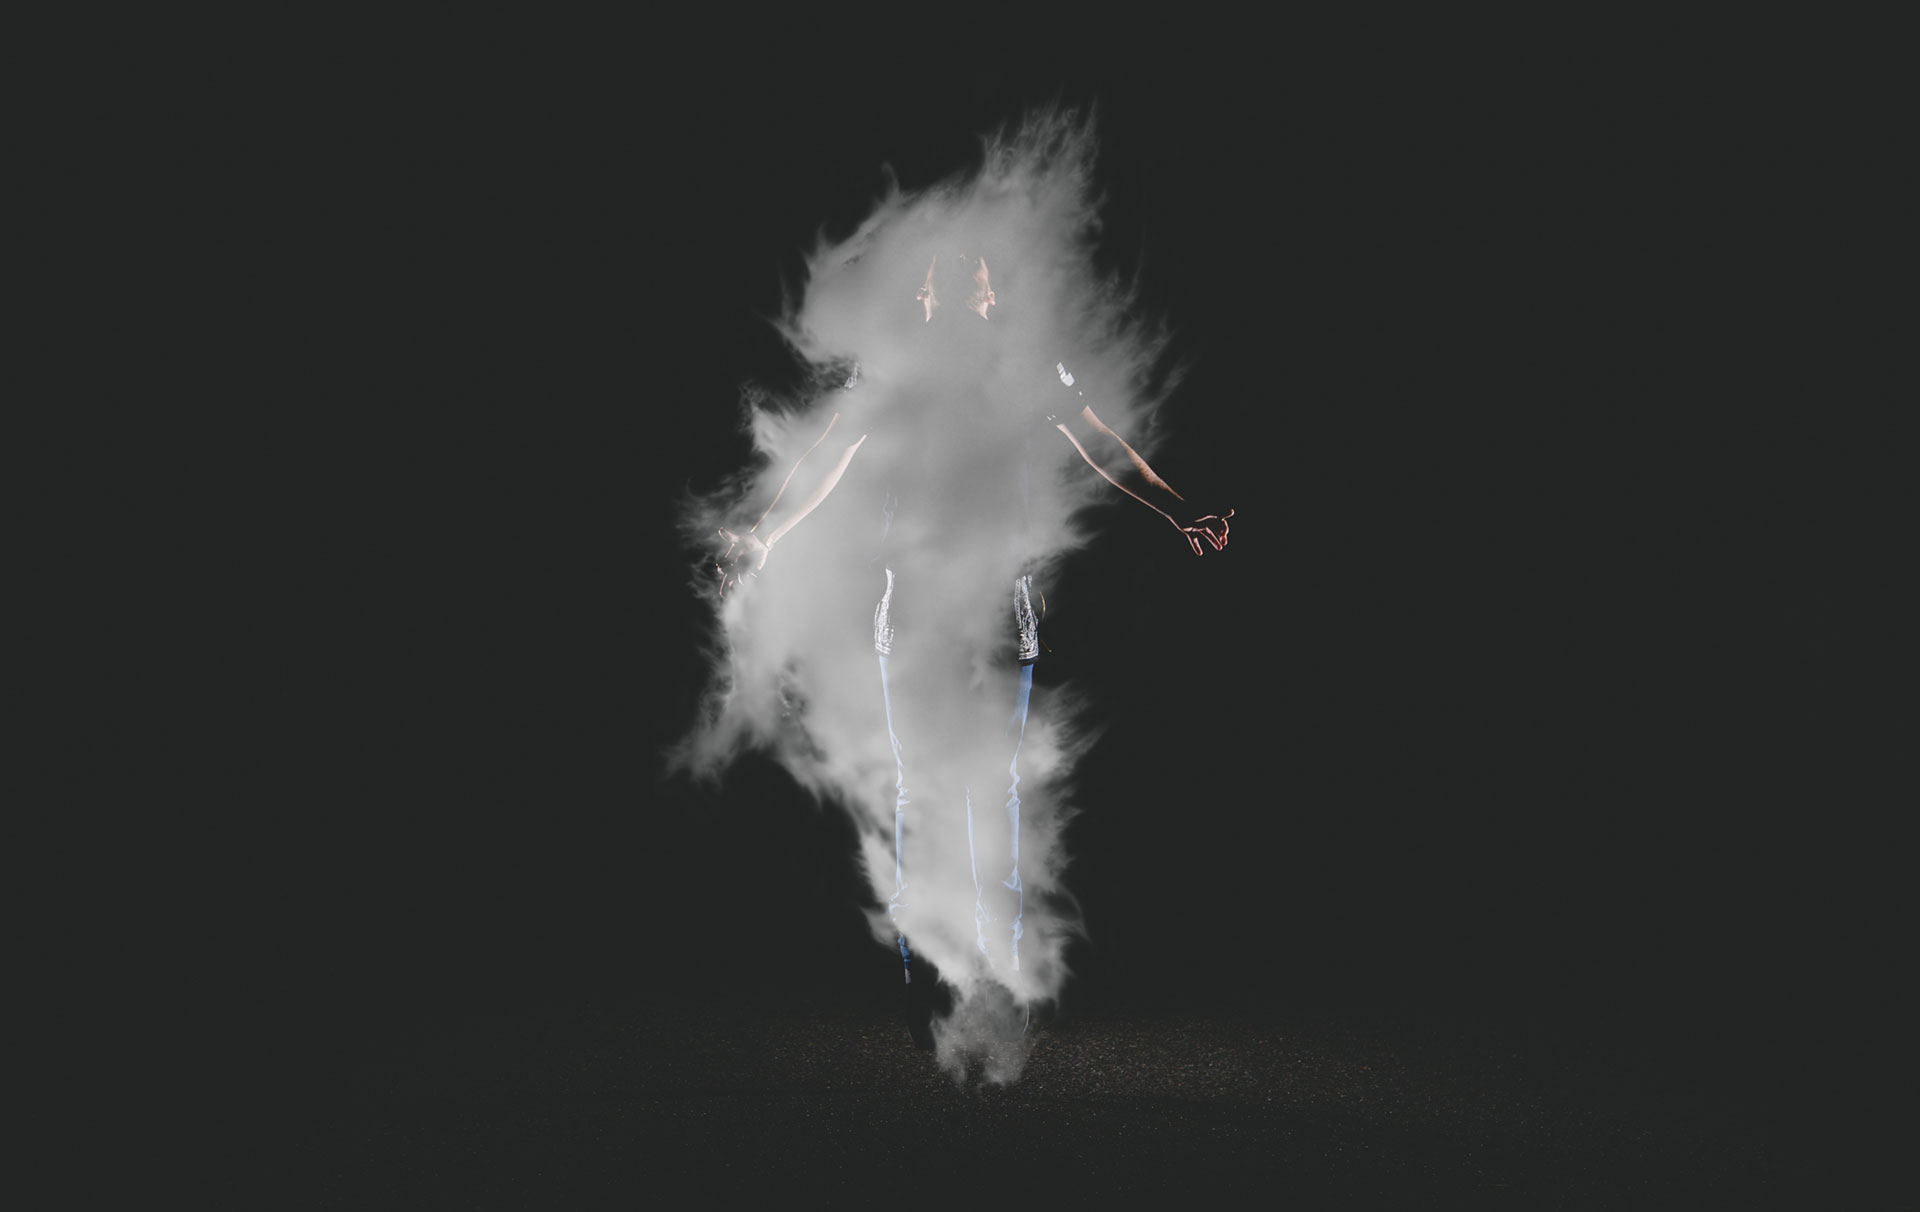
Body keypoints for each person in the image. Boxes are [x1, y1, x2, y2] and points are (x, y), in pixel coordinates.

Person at [717, 253, 1229, 1026]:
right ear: (926, 298)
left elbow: (1104, 447)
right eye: (947, 288)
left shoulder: (1025, 370)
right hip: (915, 617)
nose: (962, 301)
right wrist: (764, 533)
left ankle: (997, 965)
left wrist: (1177, 506)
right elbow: (827, 455)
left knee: (994, 785)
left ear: (992, 299)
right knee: (919, 787)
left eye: (977, 288)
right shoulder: (893, 368)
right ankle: (929, 963)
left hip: (998, 610)